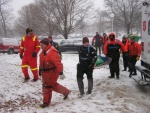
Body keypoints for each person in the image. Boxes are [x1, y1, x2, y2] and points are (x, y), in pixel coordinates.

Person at [39, 38, 70, 108]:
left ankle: (45, 103)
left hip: (52, 73)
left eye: (42, 45)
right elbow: (41, 62)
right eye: (40, 45)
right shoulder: (42, 52)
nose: (40, 46)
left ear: (46, 44)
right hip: (45, 73)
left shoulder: (52, 52)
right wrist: (40, 70)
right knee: (53, 85)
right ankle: (66, 92)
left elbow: (58, 63)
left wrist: (61, 72)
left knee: (47, 87)